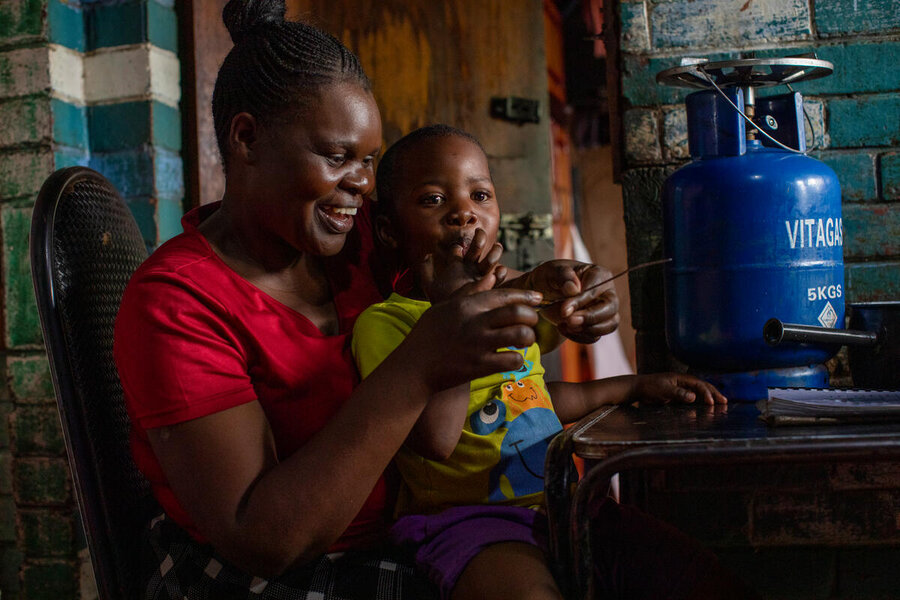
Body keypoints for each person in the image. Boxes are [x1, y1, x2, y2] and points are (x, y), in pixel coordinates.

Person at [113, 2, 622, 598]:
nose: (361, 183)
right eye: (337, 157)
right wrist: (420, 366)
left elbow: (462, 273)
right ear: (247, 138)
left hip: (415, 540)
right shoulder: (176, 303)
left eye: (369, 160)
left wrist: (564, 287)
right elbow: (263, 540)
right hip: (280, 577)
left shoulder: (356, 246)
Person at [352, 124, 747, 600]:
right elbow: (436, 440)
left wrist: (634, 386)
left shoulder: (509, 300)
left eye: (480, 195)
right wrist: (452, 311)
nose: (464, 214)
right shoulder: (387, 323)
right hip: (470, 523)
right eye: (434, 200)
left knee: (702, 581)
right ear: (390, 229)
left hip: (563, 506)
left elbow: (530, 404)